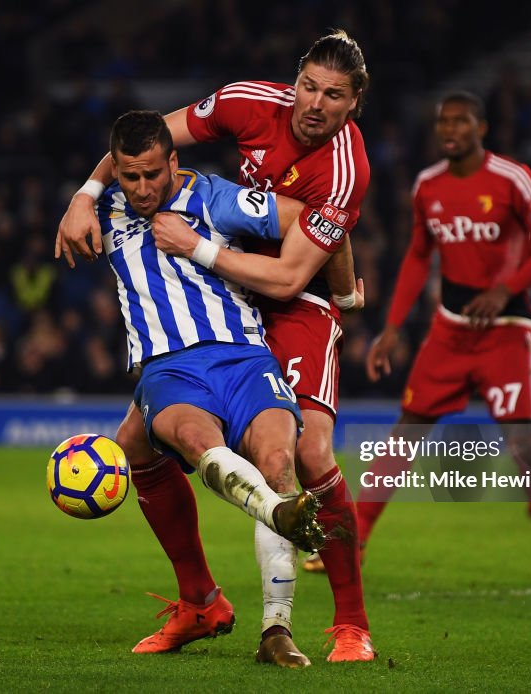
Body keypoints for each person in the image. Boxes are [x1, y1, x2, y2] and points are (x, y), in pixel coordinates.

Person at [56, 31, 375, 664]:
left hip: (291, 295)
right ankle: (201, 602)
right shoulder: (246, 103)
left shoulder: (345, 170)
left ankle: (349, 624)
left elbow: (290, 272)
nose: (314, 104)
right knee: (134, 446)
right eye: (307, 86)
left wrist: (334, 294)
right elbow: (145, 140)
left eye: (332, 95)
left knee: (307, 451)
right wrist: (84, 195)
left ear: (354, 102)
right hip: (223, 286)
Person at [98, 110, 327, 666]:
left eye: (155, 173)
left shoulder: (216, 198)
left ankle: (277, 631)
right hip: (169, 368)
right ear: (116, 173)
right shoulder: (100, 208)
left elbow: (311, 220)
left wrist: (336, 289)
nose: (144, 187)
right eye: (131, 177)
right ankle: (273, 522)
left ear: (174, 161)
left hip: (246, 355)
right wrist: (82, 197)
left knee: (278, 462)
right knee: (201, 446)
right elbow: (98, 182)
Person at [358, 91, 531, 584]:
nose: (450, 130)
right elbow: (417, 256)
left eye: (461, 122)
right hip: (450, 330)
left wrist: (505, 290)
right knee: (406, 429)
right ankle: (355, 542)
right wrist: (391, 326)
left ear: (482, 129)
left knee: (523, 443)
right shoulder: (427, 186)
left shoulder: (512, 178)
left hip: (507, 332)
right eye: (443, 123)